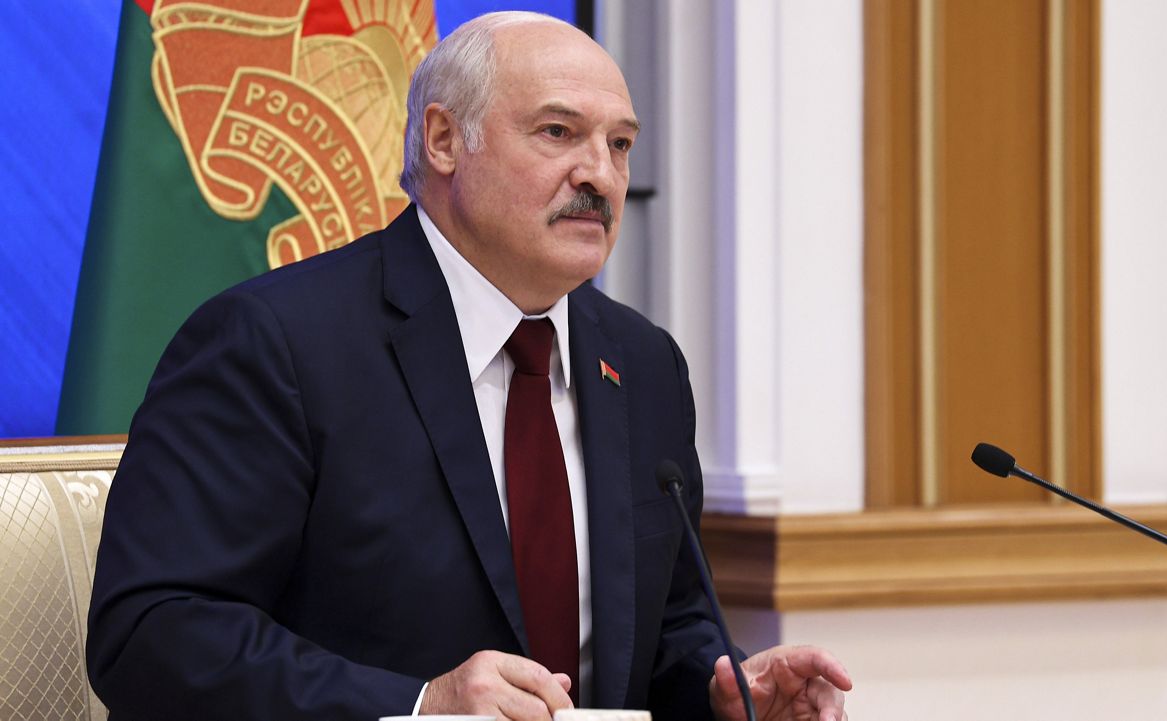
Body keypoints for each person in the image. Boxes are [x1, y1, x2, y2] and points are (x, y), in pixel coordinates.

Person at [86, 11, 851, 721]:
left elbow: (665, 629)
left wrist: (723, 688)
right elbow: (151, 632)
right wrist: (419, 706)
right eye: (559, 132)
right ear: (445, 140)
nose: (601, 176)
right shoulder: (274, 344)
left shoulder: (642, 362)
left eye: (620, 144)